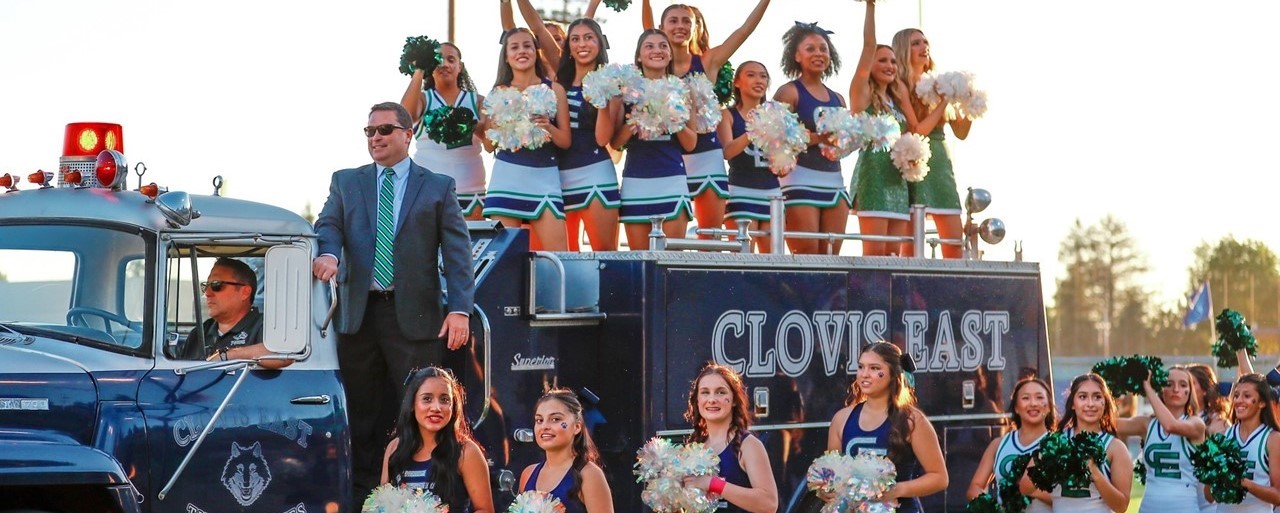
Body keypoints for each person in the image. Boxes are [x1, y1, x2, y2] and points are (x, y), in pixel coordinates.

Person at [312, 101, 477, 509]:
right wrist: (330, 254)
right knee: (363, 417)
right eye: (369, 132)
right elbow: (327, 223)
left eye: (384, 130)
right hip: (358, 317)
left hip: (417, 320)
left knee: (422, 417)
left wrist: (460, 309)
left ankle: (427, 500)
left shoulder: (437, 185)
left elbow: (458, 254)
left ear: (408, 134)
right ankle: (369, 501)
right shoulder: (346, 182)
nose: (376, 138)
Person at [640, 0, 771, 238]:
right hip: (671, 159)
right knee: (668, 238)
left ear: (694, 28)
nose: (680, 26)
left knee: (709, 236)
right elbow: (647, 29)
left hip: (707, 156)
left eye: (686, 21)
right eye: (673, 21)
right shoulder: (657, 61)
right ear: (661, 26)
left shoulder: (707, 61)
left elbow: (744, 30)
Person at [827, 342, 947, 513]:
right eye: (861, 367)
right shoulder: (841, 419)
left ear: (893, 374)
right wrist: (828, 489)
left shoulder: (912, 420)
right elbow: (832, 475)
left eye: (874, 368)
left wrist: (896, 490)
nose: (864, 374)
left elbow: (940, 478)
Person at [481, 28, 573, 251]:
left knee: (559, 257)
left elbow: (565, 141)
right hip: (507, 179)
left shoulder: (555, 89)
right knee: (502, 259)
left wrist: (547, 126)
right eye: (514, 47)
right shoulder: (497, 92)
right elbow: (489, 145)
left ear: (536, 51)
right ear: (506, 56)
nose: (521, 51)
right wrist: (498, 123)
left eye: (527, 46)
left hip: (545, 180)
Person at [613, 29, 697, 250]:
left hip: (672, 181)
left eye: (663, 46)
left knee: (672, 259)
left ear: (670, 54)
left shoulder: (683, 90)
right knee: (641, 262)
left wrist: (673, 119)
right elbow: (615, 142)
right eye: (649, 46)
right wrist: (636, 118)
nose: (657, 50)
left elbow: (691, 144)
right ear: (639, 56)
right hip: (637, 182)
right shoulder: (626, 92)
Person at [773, 21, 849, 255]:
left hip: (834, 181)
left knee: (831, 256)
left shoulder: (838, 98)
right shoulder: (789, 92)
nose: (818, 53)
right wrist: (819, 138)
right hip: (799, 180)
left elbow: (842, 144)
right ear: (796, 56)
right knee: (806, 255)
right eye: (810, 48)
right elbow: (775, 140)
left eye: (823, 48)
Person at [848, 0, 916, 257]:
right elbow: (868, 46)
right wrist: (870, 6)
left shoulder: (896, 99)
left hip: (897, 182)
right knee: (875, 252)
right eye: (882, 61)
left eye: (893, 61)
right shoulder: (862, 94)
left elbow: (913, 130)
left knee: (893, 254)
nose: (889, 65)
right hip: (873, 178)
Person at [891, 28, 967, 258]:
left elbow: (962, 132)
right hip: (912, 159)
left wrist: (967, 101)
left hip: (940, 161)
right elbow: (917, 130)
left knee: (954, 240)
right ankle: (909, 292)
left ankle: (954, 287)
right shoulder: (899, 84)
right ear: (903, 49)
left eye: (925, 42)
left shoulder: (938, 83)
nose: (924, 47)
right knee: (911, 242)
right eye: (916, 43)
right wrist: (945, 102)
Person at [382, 367, 494, 513]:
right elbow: (381, 504)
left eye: (444, 400)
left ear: (453, 406)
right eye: (427, 399)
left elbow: (485, 510)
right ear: (411, 404)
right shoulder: (394, 448)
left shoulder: (466, 451)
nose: (436, 407)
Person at [401, 42, 488, 220]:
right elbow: (405, 116)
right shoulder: (424, 99)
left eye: (451, 59)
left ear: (460, 66)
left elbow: (490, 142)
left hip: (471, 193)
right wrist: (419, 70)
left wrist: (467, 124)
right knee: (427, 247)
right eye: (438, 60)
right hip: (427, 189)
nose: (445, 64)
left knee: (470, 247)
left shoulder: (478, 101)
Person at [681, 364, 778, 513]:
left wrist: (713, 484)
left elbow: (769, 503)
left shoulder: (749, 445)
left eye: (720, 392)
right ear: (697, 401)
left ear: (733, 400)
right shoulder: (695, 447)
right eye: (705, 392)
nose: (712, 399)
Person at [1115, 366, 1205, 513]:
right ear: (1161, 390)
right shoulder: (1146, 424)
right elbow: (1108, 425)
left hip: (1185, 508)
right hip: (1149, 508)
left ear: (1189, 393)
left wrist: (1148, 390)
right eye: (1169, 384)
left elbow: (1171, 426)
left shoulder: (1196, 424)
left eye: (1183, 385)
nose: (1176, 389)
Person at [1040, 374, 1131, 513]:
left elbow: (1121, 507)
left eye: (1097, 397)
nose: (1090, 404)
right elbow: (1027, 487)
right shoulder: (1055, 442)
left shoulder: (1115, 447)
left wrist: (1094, 472)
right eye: (1082, 397)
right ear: (1072, 404)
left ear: (1104, 403)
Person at [180, 257, 291, 370]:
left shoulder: (267, 328)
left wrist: (227, 355)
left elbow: (285, 354)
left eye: (216, 285)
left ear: (245, 292)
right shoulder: (199, 334)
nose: (207, 293)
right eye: (205, 286)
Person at [519, 389, 614, 513]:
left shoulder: (589, 475)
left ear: (577, 426)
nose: (545, 426)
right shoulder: (528, 474)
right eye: (539, 420)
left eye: (555, 419)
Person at [719, 61, 780, 253]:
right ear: (737, 82)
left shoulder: (776, 114)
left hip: (773, 192)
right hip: (740, 191)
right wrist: (753, 130)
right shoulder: (728, 115)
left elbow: (784, 154)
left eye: (763, 76)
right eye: (751, 75)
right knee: (743, 256)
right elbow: (727, 152)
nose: (759, 80)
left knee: (775, 259)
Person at [967, 378, 1054, 513]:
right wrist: (994, 509)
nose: (1033, 403)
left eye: (1039, 397)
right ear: (1016, 408)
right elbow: (975, 487)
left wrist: (1028, 490)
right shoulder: (998, 444)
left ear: (1049, 407)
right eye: (1026, 398)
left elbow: (1071, 498)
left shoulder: (1059, 444)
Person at [1217, 373, 1280, 513]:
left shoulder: (1273, 439)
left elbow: (1278, 496)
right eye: (1236, 395)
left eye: (1247, 396)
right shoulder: (1223, 435)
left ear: (1262, 403)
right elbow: (1208, 496)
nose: (1239, 400)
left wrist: (1244, 483)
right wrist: (1211, 473)